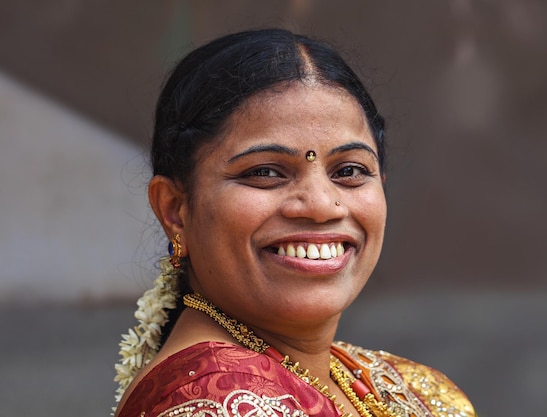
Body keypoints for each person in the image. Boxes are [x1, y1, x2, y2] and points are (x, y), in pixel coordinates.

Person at [113, 28, 475, 417]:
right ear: (175, 209)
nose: (321, 205)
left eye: (350, 170)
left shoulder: (406, 386)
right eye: (266, 172)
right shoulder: (211, 403)